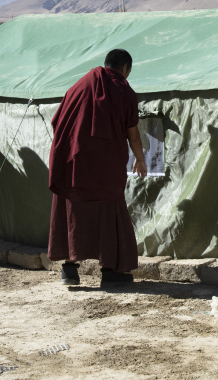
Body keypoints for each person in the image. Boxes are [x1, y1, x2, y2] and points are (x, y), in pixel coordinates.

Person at [47, 48, 147, 286]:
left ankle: (69, 270)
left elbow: (58, 122)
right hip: (105, 165)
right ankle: (110, 272)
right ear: (125, 68)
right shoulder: (124, 90)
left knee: (72, 209)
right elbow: (132, 133)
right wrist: (140, 158)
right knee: (108, 210)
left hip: (73, 161)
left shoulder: (78, 87)